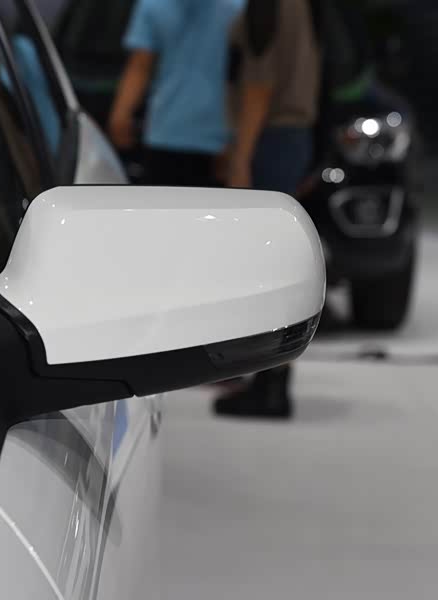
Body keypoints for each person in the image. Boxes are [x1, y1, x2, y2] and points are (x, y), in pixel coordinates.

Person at [215, 0, 322, 419]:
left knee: (267, 266)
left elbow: (259, 85)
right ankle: (271, 377)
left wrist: (240, 157)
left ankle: (272, 384)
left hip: (270, 139)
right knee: (277, 264)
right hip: (291, 137)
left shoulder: (269, 7)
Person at [108, 0, 244, 187]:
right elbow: (139, 65)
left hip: (209, 137)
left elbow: (139, 66)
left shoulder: (240, 7)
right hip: (173, 133)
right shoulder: (239, 7)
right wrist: (121, 115)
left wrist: (121, 114)